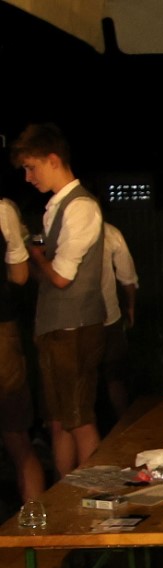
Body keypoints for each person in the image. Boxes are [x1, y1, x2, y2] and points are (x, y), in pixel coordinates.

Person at [10, 122, 105, 481]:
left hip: (75, 327)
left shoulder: (80, 207)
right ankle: (65, 497)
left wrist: (33, 252)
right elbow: (50, 279)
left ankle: (93, 494)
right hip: (57, 327)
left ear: (53, 160)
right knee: (59, 420)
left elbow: (62, 277)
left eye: (31, 167)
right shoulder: (57, 206)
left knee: (78, 419)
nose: (28, 177)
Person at [0, 193, 46, 507]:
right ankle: (35, 528)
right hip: (2, 329)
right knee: (17, 437)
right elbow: (19, 275)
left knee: (15, 433)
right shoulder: (3, 210)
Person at [99, 221, 139, 425]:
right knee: (115, 376)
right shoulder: (110, 232)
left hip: (77, 321)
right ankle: (123, 426)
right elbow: (128, 279)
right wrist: (130, 307)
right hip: (108, 317)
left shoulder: (59, 228)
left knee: (109, 376)